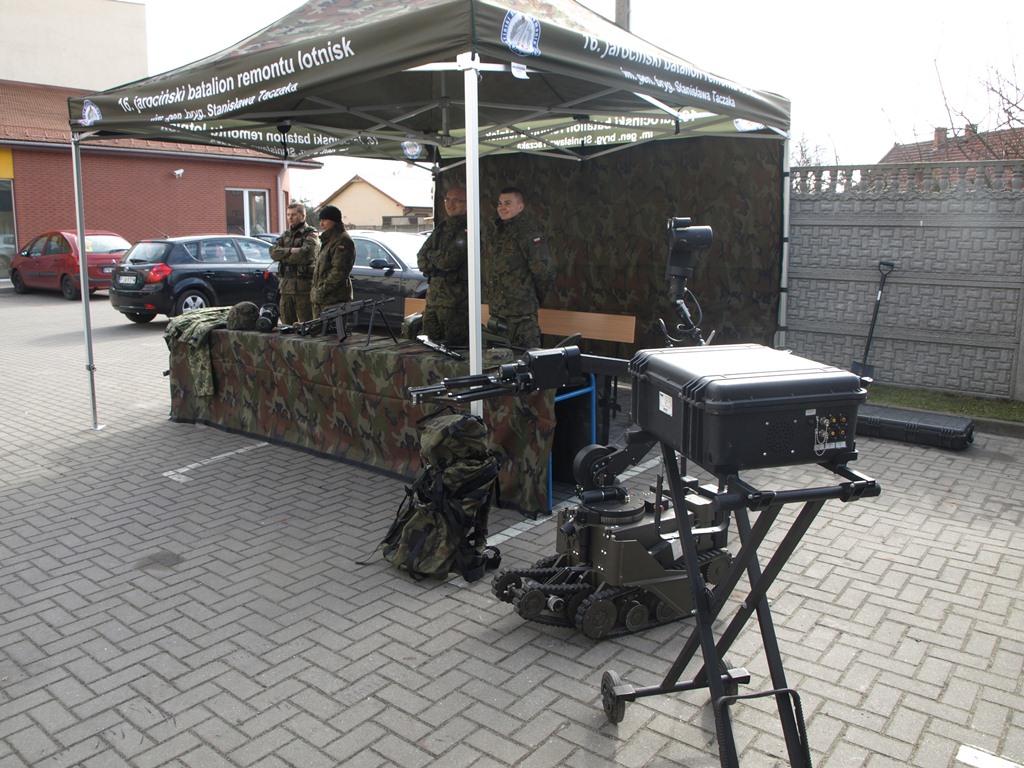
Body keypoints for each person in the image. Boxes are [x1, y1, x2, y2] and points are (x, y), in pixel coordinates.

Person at [483, 186, 553, 348]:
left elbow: (544, 272)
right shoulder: (497, 233)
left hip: (521, 316)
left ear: (520, 207)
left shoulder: (528, 234)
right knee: (498, 359)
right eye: (500, 203)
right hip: (498, 313)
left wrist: (531, 296)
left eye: (508, 203)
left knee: (525, 357)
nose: (502, 207)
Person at [417, 185, 469, 345]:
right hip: (433, 299)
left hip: (455, 303)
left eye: (456, 200)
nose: (450, 204)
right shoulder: (442, 228)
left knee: (453, 348)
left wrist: (432, 255)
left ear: (467, 203)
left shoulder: (468, 229)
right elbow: (421, 258)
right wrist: (436, 257)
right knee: (429, 345)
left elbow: (448, 261)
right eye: (447, 199)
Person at [270, 203, 320, 324]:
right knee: (286, 325)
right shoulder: (285, 235)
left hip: (303, 289)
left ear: (303, 216)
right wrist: (291, 250)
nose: (290, 218)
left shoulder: (311, 234)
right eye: (288, 215)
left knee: (307, 324)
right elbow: (273, 253)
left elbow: (306, 255)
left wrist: (283, 256)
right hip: (286, 288)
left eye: (294, 214)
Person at [310, 205, 356, 316]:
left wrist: (322, 291)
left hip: (334, 300)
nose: (321, 224)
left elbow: (339, 272)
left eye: (325, 220)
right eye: (320, 220)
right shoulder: (328, 240)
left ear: (334, 221)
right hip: (322, 299)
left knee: (333, 327)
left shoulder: (342, 241)